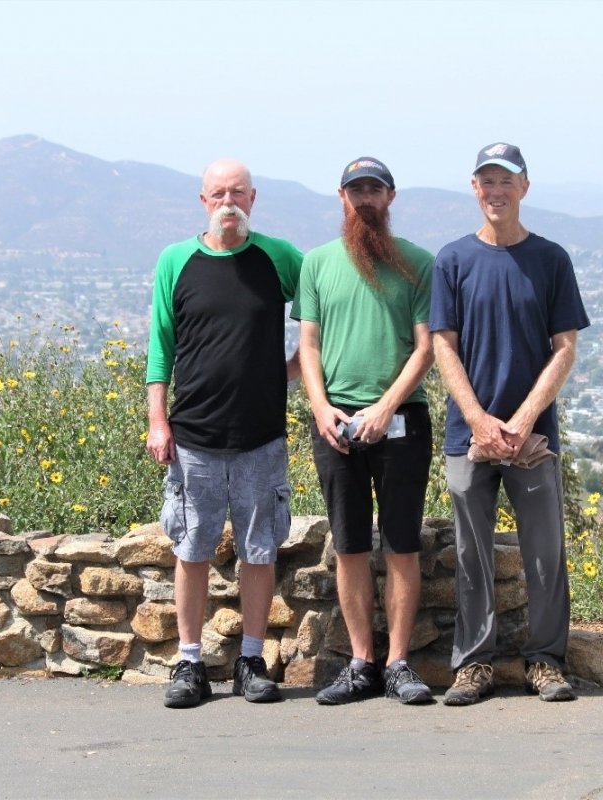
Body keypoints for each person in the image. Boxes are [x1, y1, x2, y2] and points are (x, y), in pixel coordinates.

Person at [429, 143, 590, 706]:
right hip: (467, 436)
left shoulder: (551, 259)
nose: (496, 191)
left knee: (545, 553)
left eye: (506, 180)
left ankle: (545, 661)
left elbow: (565, 347)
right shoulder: (452, 260)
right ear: (475, 189)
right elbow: (443, 345)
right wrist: (478, 420)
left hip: (533, 437)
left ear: (525, 187)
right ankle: (474, 665)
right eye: (487, 181)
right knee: (470, 554)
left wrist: (522, 419)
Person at [146, 158, 303, 709]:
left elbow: (321, 310)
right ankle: (189, 662)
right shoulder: (175, 260)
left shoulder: (279, 258)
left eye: (237, 192)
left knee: (259, 550)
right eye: (218, 193)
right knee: (191, 548)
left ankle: (251, 662)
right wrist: (157, 419)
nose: (228, 202)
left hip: (261, 435)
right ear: (203, 201)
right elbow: (161, 344)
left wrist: (294, 368)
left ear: (253, 199)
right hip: (193, 437)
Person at [292, 157, 436, 705]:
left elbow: (425, 347)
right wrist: (320, 407)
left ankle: (398, 663)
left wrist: (384, 407)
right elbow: (308, 344)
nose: (365, 199)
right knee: (349, 544)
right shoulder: (317, 263)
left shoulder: (418, 263)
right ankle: (361, 664)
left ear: (390, 197)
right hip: (334, 423)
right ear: (342, 197)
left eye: (375, 189)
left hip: (402, 420)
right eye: (357, 190)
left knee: (402, 543)